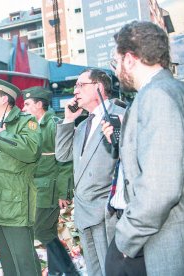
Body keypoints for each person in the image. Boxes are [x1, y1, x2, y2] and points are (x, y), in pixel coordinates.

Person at [102, 21, 184, 276]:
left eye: (115, 62)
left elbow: (160, 190)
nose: (116, 71)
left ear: (129, 59)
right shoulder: (173, 89)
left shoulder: (156, 96)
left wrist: (125, 241)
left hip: (157, 241)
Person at [55, 68, 125, 276]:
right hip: (84, 209)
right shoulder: (84, 123)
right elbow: (62, 155)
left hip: (108, 211)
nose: (75, 91)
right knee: (95, 269)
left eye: (80, 85)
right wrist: (68, 120)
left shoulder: (121, 115)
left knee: (111, 269)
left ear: (99, 87)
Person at [0, 77, 42, 276]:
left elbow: (31, 152)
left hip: (15, 206)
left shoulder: (25, 123)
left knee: (24, 263)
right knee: (8, 262)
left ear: (5, 99)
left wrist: (1, 135)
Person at [22, 86, 77, 276]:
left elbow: (65, 161)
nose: (24, 107)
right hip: (37, 188)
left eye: (27, 104)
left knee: (42, 232)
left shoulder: (53, 124)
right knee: (48, 231)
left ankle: (68, 270)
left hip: (50, 189)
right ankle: (59, 270)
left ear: (39, 104)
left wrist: (64, 192)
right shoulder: (32, 125)